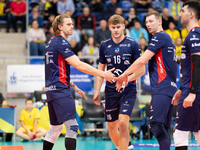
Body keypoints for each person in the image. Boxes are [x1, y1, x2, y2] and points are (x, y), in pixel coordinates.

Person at [43, 14, 115, 150]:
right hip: (60, 89)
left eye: (72, 24)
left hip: (52, 90)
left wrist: (73, 85)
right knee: (72, 127)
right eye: (68, 24)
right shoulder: (61, 41)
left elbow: (55, 70)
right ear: (60, 27)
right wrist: (103, 73)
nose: (72, 26)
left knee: (55, 129)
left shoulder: (51, 42)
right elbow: (79, 65)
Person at [116, 11, 177, 150]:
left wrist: (124, 74)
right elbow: (143, 70)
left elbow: (142, 60)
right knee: (164, 127)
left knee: (155, 125)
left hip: (162, 86)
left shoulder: (160, 36)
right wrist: (129, 79)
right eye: (146, 22)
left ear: (160, 21)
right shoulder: (166, 38)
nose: (148, 24)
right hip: (168, 88)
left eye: (151, 21)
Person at [93, 14, 145, 150]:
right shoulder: (104, 45)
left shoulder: (132, 44)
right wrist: (97, 91)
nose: (116, 30)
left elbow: (141, 71)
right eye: (113, 27)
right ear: (109, 27)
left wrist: (125, 79)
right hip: (110, 91)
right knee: (111, 127)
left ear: (123, 27)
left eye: (118, 27)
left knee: (123, 122)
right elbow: (100, 72)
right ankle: (123, 147)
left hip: (128, 89)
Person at [171, 1, 200, 149]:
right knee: (198, 133)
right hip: (189, 90)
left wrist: (191, 92)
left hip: (193, 92)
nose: (180, 14)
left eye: (183, 11)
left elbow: (198, 63)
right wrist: (182, 89)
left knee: (180, 134)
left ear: (191, 14)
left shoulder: (194, 35)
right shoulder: (192, 35)